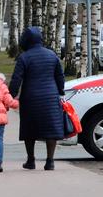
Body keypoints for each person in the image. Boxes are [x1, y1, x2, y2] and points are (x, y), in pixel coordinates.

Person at [9, 27, 65, 171]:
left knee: (29, 129)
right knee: (51, 128)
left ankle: (31, 160)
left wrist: (10, 95)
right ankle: (50, 161)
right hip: (51, 97)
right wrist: (60, 91)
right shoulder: (52, 55)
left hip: (30, 98)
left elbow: (16, 79)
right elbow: (60, 75)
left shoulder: (24, 57)